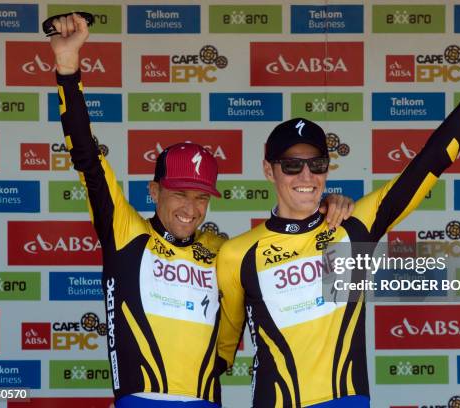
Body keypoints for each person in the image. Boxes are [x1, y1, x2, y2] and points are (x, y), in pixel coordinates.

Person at [216, 5, 460, 408]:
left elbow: (430, 161)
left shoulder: (352, 227)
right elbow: (216, 355)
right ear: (268, 170)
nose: (306, 176)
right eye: (292, 164)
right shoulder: (237, 253)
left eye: (317, 164)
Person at [48, 13, 354, 407]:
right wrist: (68, 68)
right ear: (154, 191)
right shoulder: (125, 232)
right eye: (179, 193)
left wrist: (328, 206)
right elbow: (88, 158)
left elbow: (286, 263)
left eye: (202, 196)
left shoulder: (221, 250)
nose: (191, 209)